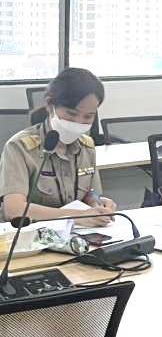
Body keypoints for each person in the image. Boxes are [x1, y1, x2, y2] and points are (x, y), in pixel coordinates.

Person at [0, 68, 116, 226]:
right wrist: (75, 216)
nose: (78, 122)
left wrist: (98, 204)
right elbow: (14, 209)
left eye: (88, 116)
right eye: (71, 114)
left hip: (77, 234)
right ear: (50, 105)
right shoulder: (19, 147)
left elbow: (91, 192)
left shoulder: (87, 146)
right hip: (32, 235)